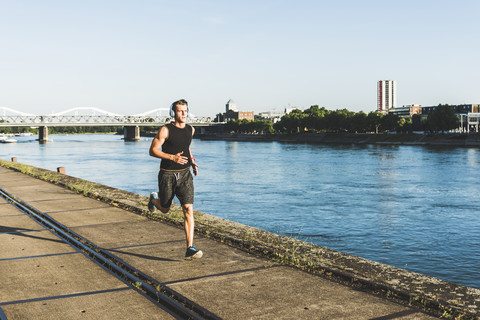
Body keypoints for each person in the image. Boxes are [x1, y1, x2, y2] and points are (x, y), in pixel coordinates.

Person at [148, 99, 202, 260]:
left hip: (185, 175)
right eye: (180, 111)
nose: (184, 113)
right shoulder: (165, 130)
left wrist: (191, 159)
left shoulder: (190, 130)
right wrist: (172, 157)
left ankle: (190, 248)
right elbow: (152, 151)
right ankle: (154, 199)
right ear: (173, 113)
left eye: (186, 110)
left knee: (188, 208)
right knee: (165, 209)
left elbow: (186, 146)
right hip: (167, 175)